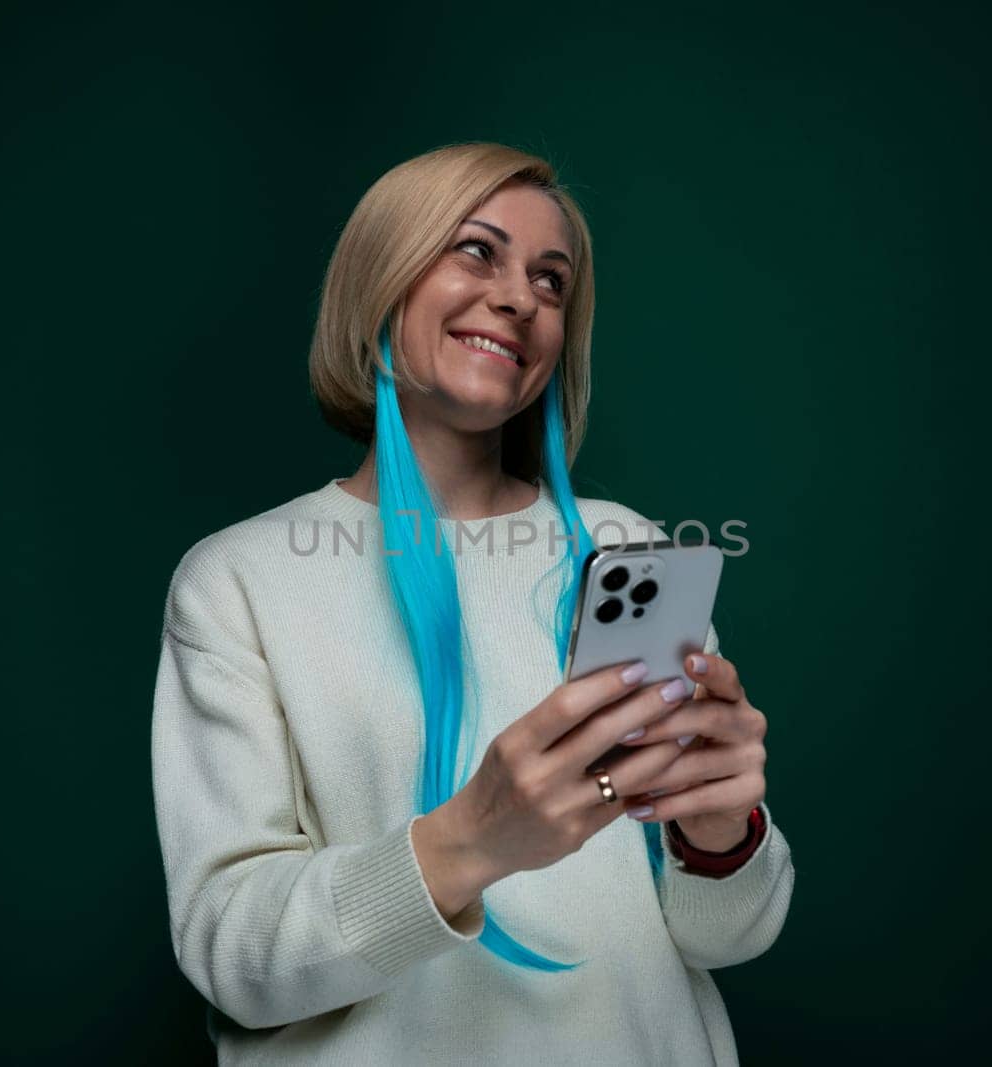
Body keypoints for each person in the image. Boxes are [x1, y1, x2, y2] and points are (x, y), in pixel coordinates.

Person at [151, 142, 795, 1065]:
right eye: (476, 251)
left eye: (551, 279)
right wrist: (468, 842)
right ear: (384, 275)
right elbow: (232, 953)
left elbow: (728, 936)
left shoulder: (627, 550)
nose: (520, 297)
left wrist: (720, 832)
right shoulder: (237, 580)